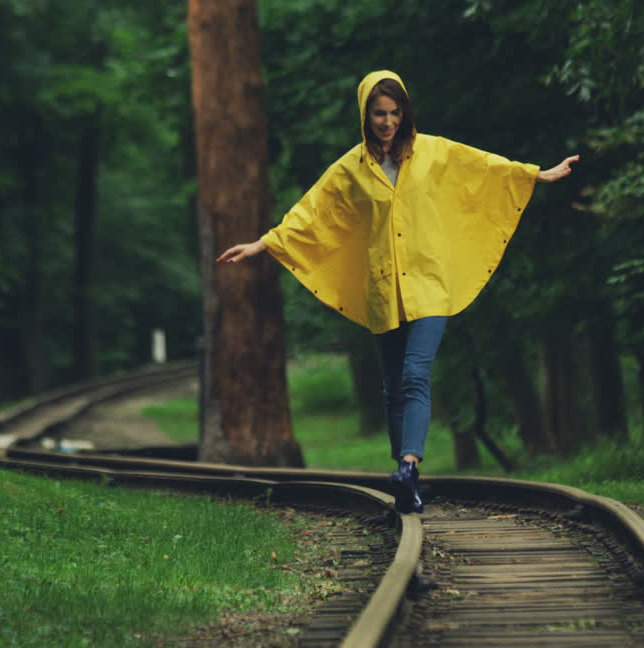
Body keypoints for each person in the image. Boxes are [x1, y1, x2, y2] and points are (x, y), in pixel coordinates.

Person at [218, 70, 578, 513]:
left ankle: (408, 466)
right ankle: (404, 476)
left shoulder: (432, 152)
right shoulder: (350, 169)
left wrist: (535, 175)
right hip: (383, 289)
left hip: (429, 285)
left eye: (394, 112)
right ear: (365, 115)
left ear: (404, 112)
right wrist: (262, 244)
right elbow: (311, 213)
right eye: (379, 114)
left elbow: (481, 168)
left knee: (414, 376)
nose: (387, 121)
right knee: (392, 388)